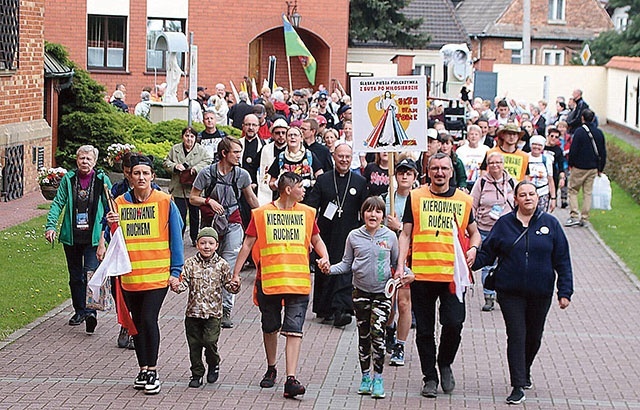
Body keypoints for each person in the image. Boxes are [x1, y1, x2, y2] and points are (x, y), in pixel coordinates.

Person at [472, 181, 573, 405]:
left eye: (532, 194)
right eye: (523, 195)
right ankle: (517, 384)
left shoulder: (551, 224)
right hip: (510, 292)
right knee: (517, 335)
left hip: (541, 292)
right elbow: (487, 254)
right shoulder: (504, 224)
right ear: (515, 199)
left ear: (538, 198)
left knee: (534, 336)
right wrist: (469, 262)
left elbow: (562, 260)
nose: (528, 198)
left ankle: (524, 369)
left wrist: (564, 291)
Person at [231, 172, 330, 399]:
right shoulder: (262, 214)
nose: (304, 191)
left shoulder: (307, 213)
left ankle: (291, 378)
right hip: (270, 281)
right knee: (270, 326)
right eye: (300, 187)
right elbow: (247, 245)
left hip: (298, 282)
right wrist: (235, 274)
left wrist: (325, 258)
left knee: (294, 330)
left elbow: (316, 239)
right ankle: (272, 367)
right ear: (287, 189)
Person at [396, 152, 481, 398]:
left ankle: (444, 363)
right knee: (424, 330)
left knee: (454, 323)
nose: (439, 172)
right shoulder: (416, 196)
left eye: (444, 168)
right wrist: (401, 265)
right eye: (435, 168)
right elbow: (405, 234)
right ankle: (429, 377)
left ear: (451, 171)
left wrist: (474, 248)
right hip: (422, 275)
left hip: (453, 276)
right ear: (428, 171)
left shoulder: (464, 200)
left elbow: (475, 233)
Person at [105, 154, 184, 395]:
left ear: (152, 176)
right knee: (136, 324)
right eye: (136, 173)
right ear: (129, 176)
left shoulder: (164, 201)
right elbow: (113, 240)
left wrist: (176, 271)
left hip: (157, 276)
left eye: (145, 173)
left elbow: (177, 235)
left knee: (149, 319)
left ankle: (153, 370)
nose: (141, 177)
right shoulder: (119, 203)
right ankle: (142, 368)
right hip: (129, 276)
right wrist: (110, 225)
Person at [326, 196, 414, 399]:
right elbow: (346, 264)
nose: (373, 215)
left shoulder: (390, 237)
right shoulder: (354, 236)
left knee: (377, 332)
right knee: (364, 334)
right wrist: (328, 269)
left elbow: (397, 264)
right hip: (360, 293)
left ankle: (378, 378)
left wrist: (409, 274)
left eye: (377, 211)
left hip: (383, 294)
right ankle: (365, 376)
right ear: (362, 213)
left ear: (383, 216)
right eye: (369, 211)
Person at [190, 137, 260, 328]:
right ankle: (207, 307)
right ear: (224, 153)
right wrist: (208, 201)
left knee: (229, 263)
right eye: (236, 152)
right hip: (210, 223)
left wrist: (264, 218)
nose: (239, 155)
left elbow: (251, 199)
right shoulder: (207, 173)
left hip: (233, 221)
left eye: (240, 152)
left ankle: (226, 309)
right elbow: (192, 197)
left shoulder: (242, 175)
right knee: (209, 264)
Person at [45, 145, 112, 334]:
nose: (85, 162)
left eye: (88, 159)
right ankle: (79, 310)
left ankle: (91, 313)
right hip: (72, 236)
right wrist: (51, 226)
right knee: (76, 277)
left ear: (95, 161)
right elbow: (58, 203)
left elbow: (110, 207)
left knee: (91, 274)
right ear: (77, 160)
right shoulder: (69, 179)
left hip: (93, 237)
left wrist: (105, 236)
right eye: (82, 158)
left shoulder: (101, 179)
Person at [306, 143, 368, 327]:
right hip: (325, 235)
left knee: (345, 272)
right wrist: (309, 235)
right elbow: (311, 209)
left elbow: (365, 211)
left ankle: (342, 309)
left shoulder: (359, 182)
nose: (344, 160)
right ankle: (326, 308)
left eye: (347, 157)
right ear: (334, 156)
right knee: (326, 269)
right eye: (340, 156)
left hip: (350, 235)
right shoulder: (324, 180)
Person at [174, 227, 240, 388]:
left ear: (216, 245)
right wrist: (175, 285)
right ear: (197, 245)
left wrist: (235, 286)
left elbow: (229, 286)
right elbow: (183, 283)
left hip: (213, 314)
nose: (206, 246)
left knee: (210, 342)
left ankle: (213, 363)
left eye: (210, 243)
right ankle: (196, 373)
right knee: (194, 345)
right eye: (203, 243)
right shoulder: (190, 264)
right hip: (193, 313)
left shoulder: (222, 265)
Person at [382, 158, 419, 366]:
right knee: (389, 303)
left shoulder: (418, 200)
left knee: (404, 303)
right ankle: (388, 328)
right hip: (386, 256)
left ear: (414, 177)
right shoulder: (386, 198)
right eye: (401, 172)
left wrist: (399, 227)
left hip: (410, 257)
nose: (404, 176)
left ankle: (400, 345)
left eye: (409, 173)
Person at [470, 152, 516, 312]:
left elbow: (518, 203)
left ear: (503, 164)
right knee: (487, 264)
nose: (495, 166)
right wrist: (472, 226)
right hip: (485, 229)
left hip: (506, 230)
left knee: (505, 263)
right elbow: (472, 204)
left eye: (498, 162)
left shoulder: (511, 181)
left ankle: (502, 293)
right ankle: (489, 296)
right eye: (492, 163)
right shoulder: (481, 182)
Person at [163, 127, 213, 246]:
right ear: (182, 137)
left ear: (195, 138)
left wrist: (195, 169)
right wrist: (175, 166)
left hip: (194, 189)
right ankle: (178, 237)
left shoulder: (201, 150)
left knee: (195, 215)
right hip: (178, 187)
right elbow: (165, 162)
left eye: (192, 136)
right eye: (186, 136)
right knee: (179, 214)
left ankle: (195, 237)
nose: (189, 139)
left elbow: (208, 161)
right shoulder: (175, 149)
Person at [565, 109, 606, 227]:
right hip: (593, 167)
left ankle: (574, 215)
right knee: (587, 192)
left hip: (579, 166)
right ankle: (585, 218)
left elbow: (574, 149)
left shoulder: (579, 132)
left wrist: (570, 164)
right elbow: (603, 152)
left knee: (573, 190)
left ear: (582, 118)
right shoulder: (599, 132)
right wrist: (600, 168)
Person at [267, 126, 323, 202]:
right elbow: (271, 184)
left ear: (301, 138)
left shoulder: (309, 156)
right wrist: (277, 184)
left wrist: (310, 183)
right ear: (286, 139)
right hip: (286, 204)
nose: (292, 137)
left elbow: (321, 179)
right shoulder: (281, 157)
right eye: (290, 135)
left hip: (306, 201)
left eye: (295, 135)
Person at [258, 119, 289, 205]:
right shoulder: (266, 149)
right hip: (268, 188)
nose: (281, 135)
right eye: (277, 133)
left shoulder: (291, 149)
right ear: (272, 134)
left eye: (283, 133)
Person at [456, 124, 490, 191]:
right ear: (468, 136)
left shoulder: (486, 149)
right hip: (466, 183)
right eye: (471, 134)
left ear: (480, 136)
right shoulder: (460, 150)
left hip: (481, 182)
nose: (473, 136)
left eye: (476, 134)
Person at [528, 135, 556, 212]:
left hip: (543, 193)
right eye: (534, 144)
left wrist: (553, 198)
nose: (537, 147)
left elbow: (550, 179)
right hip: (528, 193)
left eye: (539, 145)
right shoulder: (525, 157)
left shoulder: (547, 160)